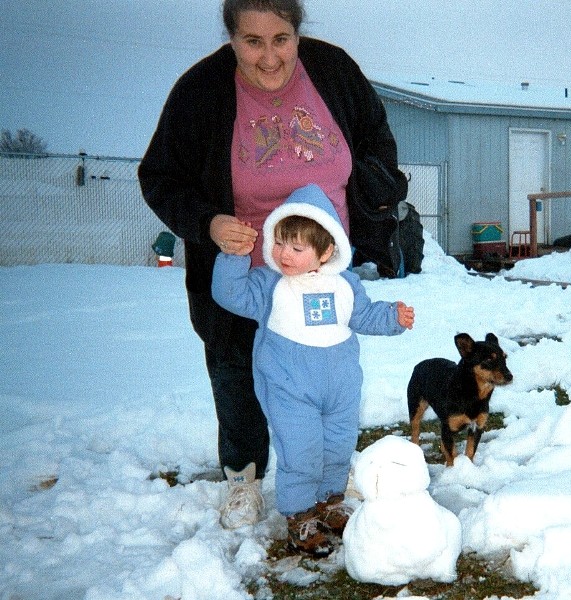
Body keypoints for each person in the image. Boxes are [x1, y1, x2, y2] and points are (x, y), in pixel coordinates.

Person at [138, 0, 409, 529]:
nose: (268, 58)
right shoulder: (201, 91)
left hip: (325, 266)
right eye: (252, 41)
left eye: (281, 39)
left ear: (298, 33)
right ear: (231, 37)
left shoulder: (333, 71)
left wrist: (377, 191)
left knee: (330, 372)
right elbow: (160, 176)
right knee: (236, 370)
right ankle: (244, 477)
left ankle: (329, 473)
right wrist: (210, 223)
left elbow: (377, 138)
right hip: (247, 266)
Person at [212, 183, 415, 556]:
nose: (283, 254)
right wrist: (232, 257)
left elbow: (365, 315)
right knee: (301, 450)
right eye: (279, 242)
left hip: (340, 388)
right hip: (290, 388)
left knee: (338, 447)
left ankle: (329, 501)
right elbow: (230, 295)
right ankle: (299, 513)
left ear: (326, 251)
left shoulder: (346, 284)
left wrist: (393, 317)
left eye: (297, 247)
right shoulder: (270, 284)